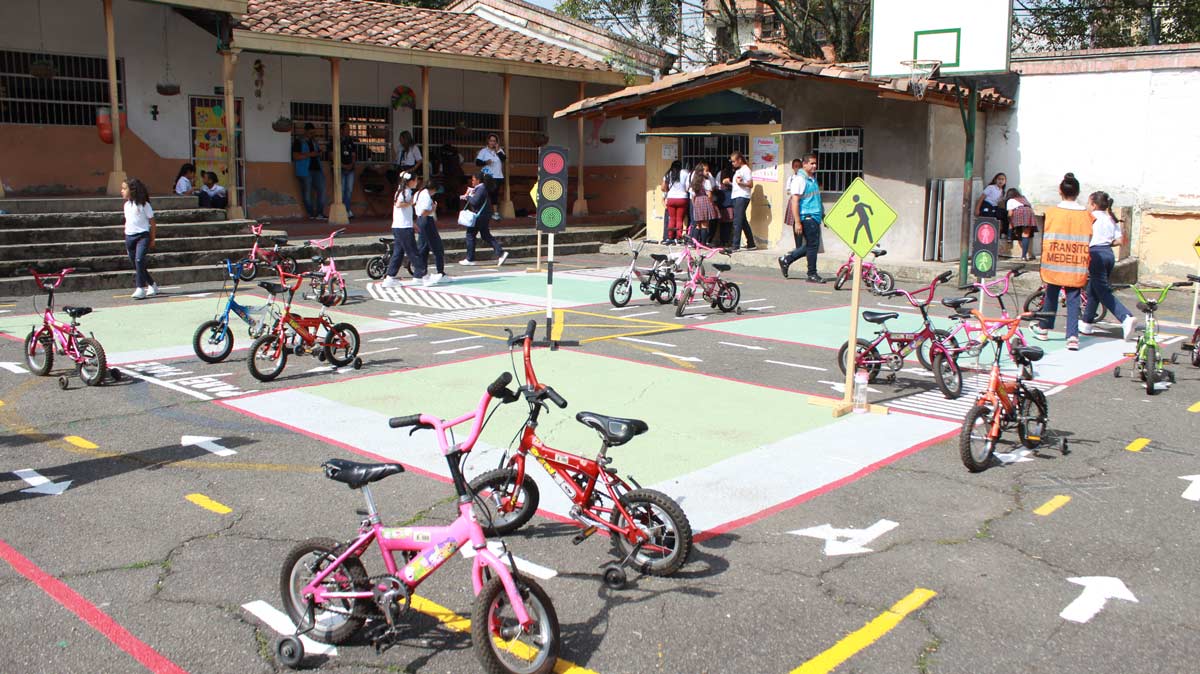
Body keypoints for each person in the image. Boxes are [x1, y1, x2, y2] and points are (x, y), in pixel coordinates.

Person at [1032, 172, 1090, 351]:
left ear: (1060, 191)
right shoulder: (1087, 215)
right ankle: (1072, 336)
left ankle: (1043, 328)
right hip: (1075, 262)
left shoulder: (1051, 213)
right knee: (1073, 299)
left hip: (1055, 261)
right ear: (1078, 192)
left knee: (1051, 295)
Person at [1080, 190, 1136, 340]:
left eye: (1088, 202)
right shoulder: (1111, 218)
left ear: (1093, 204)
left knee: (1103, 291)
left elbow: (1082, 237)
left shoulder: (1089, 217)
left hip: (1095, 254)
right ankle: (1087, 322)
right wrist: (1106, 242)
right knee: (1094, 289)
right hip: (1108, 254)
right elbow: (1119, 241)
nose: (1087, 205)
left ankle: (1125, 317)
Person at [777, 154, 825, 283]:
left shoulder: (812, 179)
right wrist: (797, 222)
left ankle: (786, 260)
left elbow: (816, 199)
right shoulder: (800, 179)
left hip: (815, 216)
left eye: (815, 163)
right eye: (812, 163)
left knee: (811, 246)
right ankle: (812, 273)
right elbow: (795, 201)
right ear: (804, 164)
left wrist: (823, 215)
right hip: (807, 217)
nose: (814, 166)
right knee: (813, 246)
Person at [381, 172, 424, 288]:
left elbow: (403, 212)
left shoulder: (402, 191)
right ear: (410, 181)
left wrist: (412, 223)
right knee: (413, 251)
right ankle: (420, 275)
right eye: (415, 180)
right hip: (403, 228)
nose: (417, 182)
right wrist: (411, 203)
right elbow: (399, 204)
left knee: (398, 253)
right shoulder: (405, 192)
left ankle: (390, 277)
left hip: (400, 226)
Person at [459, 173, 508, 266]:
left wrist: (468, 196)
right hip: (484, 215)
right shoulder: (481, 188)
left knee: (470, 235)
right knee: (485, 235)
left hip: (480, 216)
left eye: (473, 180)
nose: (472, 182)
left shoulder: (481, 189)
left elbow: (474, 202)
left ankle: (470, 258)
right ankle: (500, 253)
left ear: (478, 180)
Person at [122, 177, 157, 300]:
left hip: (142, 236)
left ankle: (140, 288)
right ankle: (152, 284)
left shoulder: (144, 205)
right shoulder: (126, 205)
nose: (122, 191)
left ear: (132, 190)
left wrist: (152, 239)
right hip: (129, 237)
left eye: (124, 188)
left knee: (139, 260)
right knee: (137, 264)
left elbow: (152, 223)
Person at [415, 177, 449, 285]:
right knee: (437, 247)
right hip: (426, 220)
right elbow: (425, 212)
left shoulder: (419, 193)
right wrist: (433, 209)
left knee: (423, 248)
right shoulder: (426, 196)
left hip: (420, 220)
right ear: (433, 189)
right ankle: (440, 272)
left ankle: (420, 273)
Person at [292, 123, 325, 219]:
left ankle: (320, 213)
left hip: (317, 169)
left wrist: (319, 153)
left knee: (322, 191)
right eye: (310, 133)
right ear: (305, 131)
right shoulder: (298, 142)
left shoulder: (314, 142)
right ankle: (311, 214)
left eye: (313, 133)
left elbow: (317, 153)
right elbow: (296, 156)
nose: (312, 135)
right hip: (305, 171)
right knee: (307, 193)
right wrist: (311, 154)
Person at [725, 151, 756, 250]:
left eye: (734, 161)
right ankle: (751, 243)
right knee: (742, 220)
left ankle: (735, 245)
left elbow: (750, 184)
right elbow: (737, 185)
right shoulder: (739, 170)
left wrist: (741, 183)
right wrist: (729, 183)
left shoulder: (746, 170)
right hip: (736, 196)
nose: (733, 163)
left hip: (742, 197)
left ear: (739, 160)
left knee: (737, 221)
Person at [476, 133, 506, 220]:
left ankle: (495, 213)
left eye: (494, 141)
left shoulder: (499, 150)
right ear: (488, 141)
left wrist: (497, 150)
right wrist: (486, 162)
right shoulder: (483, 151)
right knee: (485, 193)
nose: (492, 143)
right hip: (487, 176)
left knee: (495, 195)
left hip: (498, 176)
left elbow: (503, 159)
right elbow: (478, 162)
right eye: (491, 141)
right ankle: (482, 211)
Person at [1005, 187, 1037, 261]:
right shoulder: (1024, 198)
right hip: (1029, 212)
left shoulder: (1010, 200)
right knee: (1026, 234)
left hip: (1018, 212)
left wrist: (1010, 221)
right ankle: (1024, 256)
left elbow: (1010, 213)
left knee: (1013, 225)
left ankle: (1009, 238)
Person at [689, 163, 718, 244]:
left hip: (697, 202)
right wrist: (711, 203)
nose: (708, 173)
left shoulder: (694, 182)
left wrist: (694, 205)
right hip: (705, 201)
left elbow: (692, 196)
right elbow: (709, 194)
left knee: (698, 224)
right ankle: (703, 243)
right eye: (706, 171)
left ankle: (695, 243)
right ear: (701, 171)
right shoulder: (706, 181)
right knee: (705, 224)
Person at [661, 160, 688, 243]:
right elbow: (687, 187)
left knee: (672, 218)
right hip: (682, 199)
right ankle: (678, 237)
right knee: (679, 219)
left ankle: (670, 237)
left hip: (671, 199)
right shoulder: (685, 173)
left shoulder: (668, 173)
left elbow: (663, 187)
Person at [976, 172, 1009, 241]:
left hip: (994, 207)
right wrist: (977, 209)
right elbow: (981, 198)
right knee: (988, 220)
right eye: (999, 179)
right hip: (987, 206)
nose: (1000, 181)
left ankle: (1004, 233)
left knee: (1005, 214)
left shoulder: (1002, 191)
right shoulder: (991, 187)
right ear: (995, 180)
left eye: (1002, 179)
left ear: (1005, 181)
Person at [339, 123, 356, 218]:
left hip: (350, 169)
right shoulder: (336, 141)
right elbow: (332, 155)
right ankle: (341, 211)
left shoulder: (350, 141)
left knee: (349, 190)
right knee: (341, 190)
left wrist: (351, 165)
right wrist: (343, 165)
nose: (348, 131)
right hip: (340, 169)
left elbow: (353, 155)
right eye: (346, 129)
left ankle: (347, 210)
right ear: (341, 130)